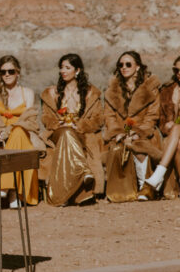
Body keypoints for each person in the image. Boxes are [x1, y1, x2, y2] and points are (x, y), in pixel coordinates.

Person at [38, 54, 104, 205]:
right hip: (58, 132)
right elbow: (46, 118)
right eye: (61, 68)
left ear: (78, 70)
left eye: (67, 68)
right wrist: (57, 124)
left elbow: (98, 119)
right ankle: (84, 169)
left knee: (70, 136)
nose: (63, 71)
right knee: (66, 133)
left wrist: (80, 125)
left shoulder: (90, 93)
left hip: (81, 133)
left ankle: (70, 195)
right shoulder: (52, 93)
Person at [0, 55, 42, 207]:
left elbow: (30, 121)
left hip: (21, 133)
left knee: (18, 131)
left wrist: (10, 130)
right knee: (16, 134)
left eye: (11, 71)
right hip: (0, 134)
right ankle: (14, 192)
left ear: (18, 72)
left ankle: (5, 186)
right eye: (3, 72)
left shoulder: (27, 93)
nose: (7, 75)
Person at [103, 51, 163, 202]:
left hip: (145, 131)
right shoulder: (112, 90)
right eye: (121, 65)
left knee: (139, 146)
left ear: (137, 67)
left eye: (128, 64)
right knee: (117, 147)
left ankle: (145, 186)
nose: (124, 68)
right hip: (120, 132)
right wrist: (117, 132)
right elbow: (109, 116)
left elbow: (152, 116)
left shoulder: (150, 88)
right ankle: (122, 191)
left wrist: (138, 133)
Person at [151, 56, 180, 199]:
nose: (179, 73)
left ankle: (159, 174)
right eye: (176, 70)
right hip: (172, 137)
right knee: (178, 142)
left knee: (177, 129)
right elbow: (160, 118)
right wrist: (165, 126)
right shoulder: (167, 90)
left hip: (175, 131)